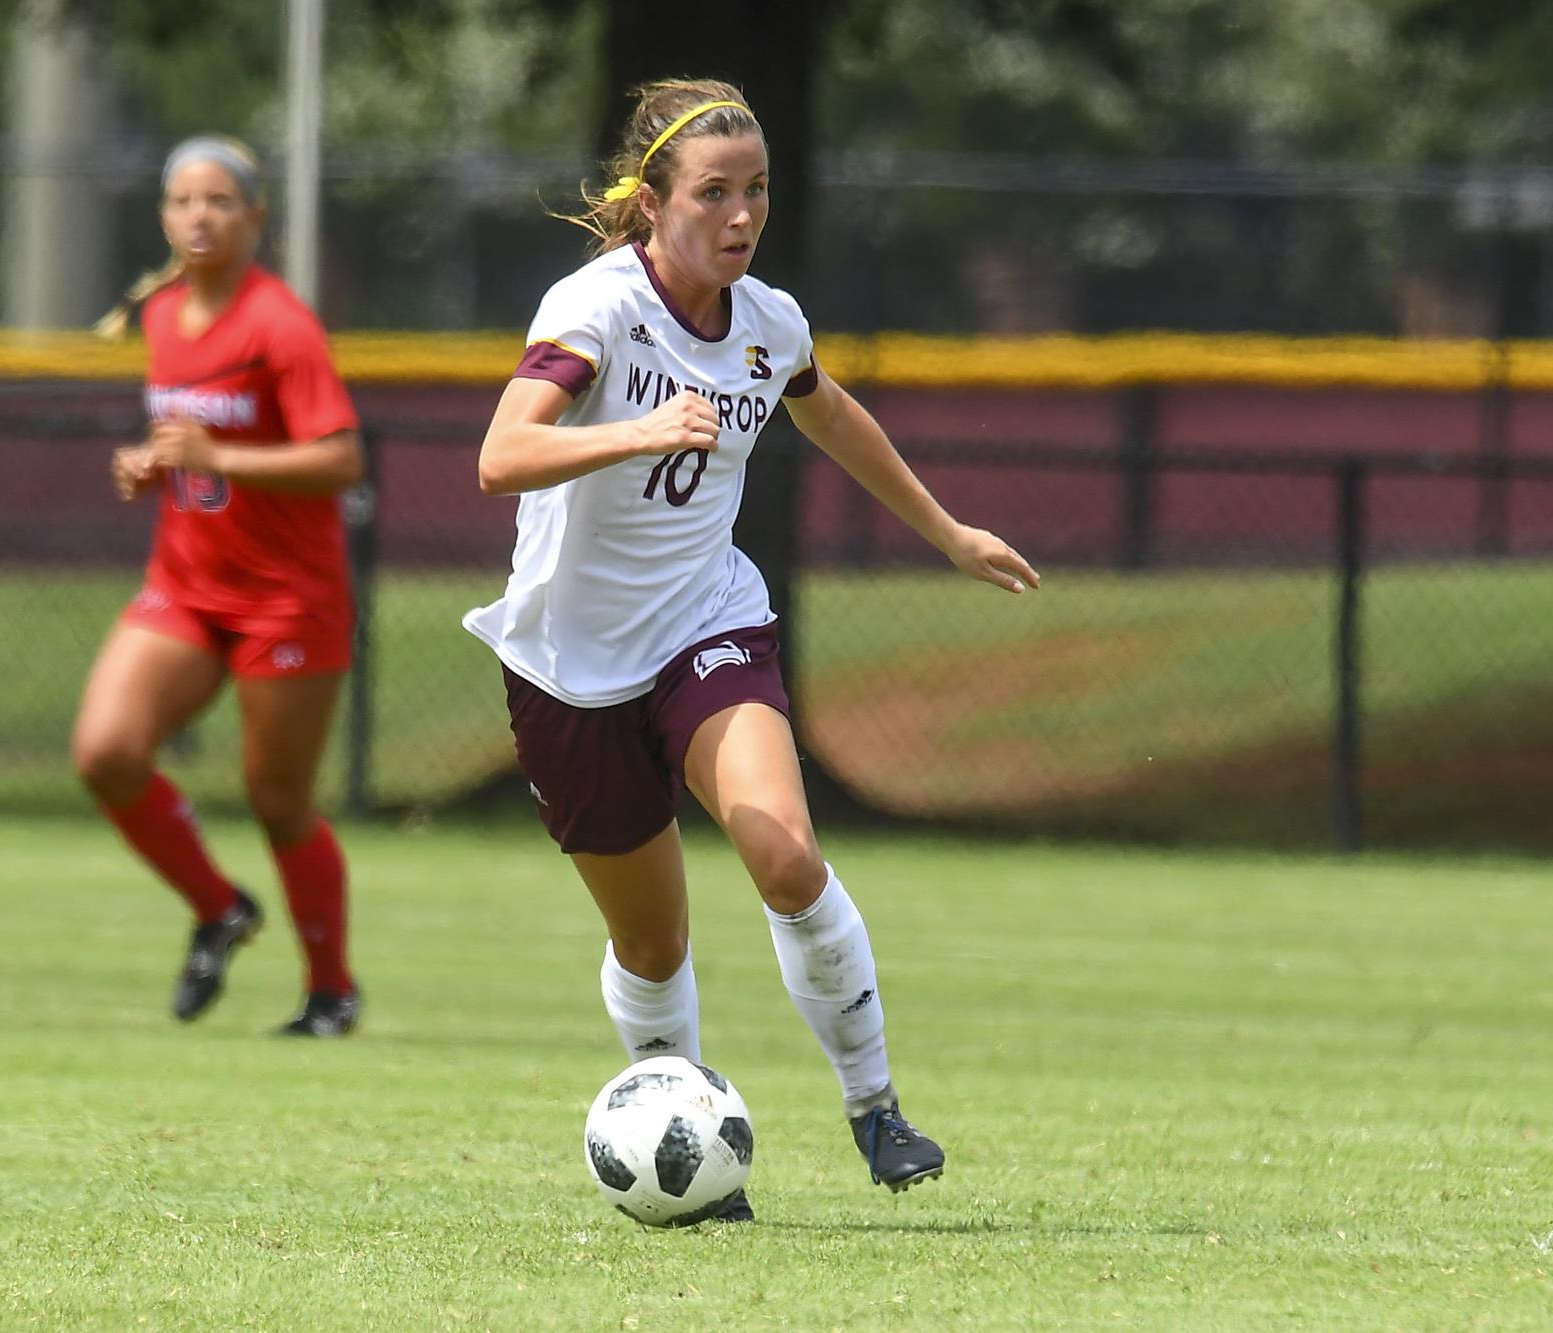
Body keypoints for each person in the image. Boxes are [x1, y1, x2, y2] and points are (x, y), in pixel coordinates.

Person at [465, 80, 1040, 1221]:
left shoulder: (767, 320)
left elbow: (823, 407)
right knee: (650, 937)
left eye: (757, 190)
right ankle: (688, 1153)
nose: (740, 216)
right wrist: (638, 426)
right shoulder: (596, 306)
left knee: (781, 853)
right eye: (713, 193)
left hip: (704, 627)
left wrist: (944, 531)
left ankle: (874, 1108)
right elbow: (499, 455)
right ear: (650, 203)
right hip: (565, 666)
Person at [74, 135, 364, 1037]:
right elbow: (189, 445)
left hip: (288, 595)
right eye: (184, 201)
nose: (200, 216)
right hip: (189, 586)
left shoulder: (280, 323)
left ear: (255, 217)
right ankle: (218, 906)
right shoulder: (161, 314)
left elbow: (341, 459)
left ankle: (330, 991)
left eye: (220, 201)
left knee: (278, 799)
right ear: (164, 217)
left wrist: (215, 454)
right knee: (106, 751)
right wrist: (153, 465)